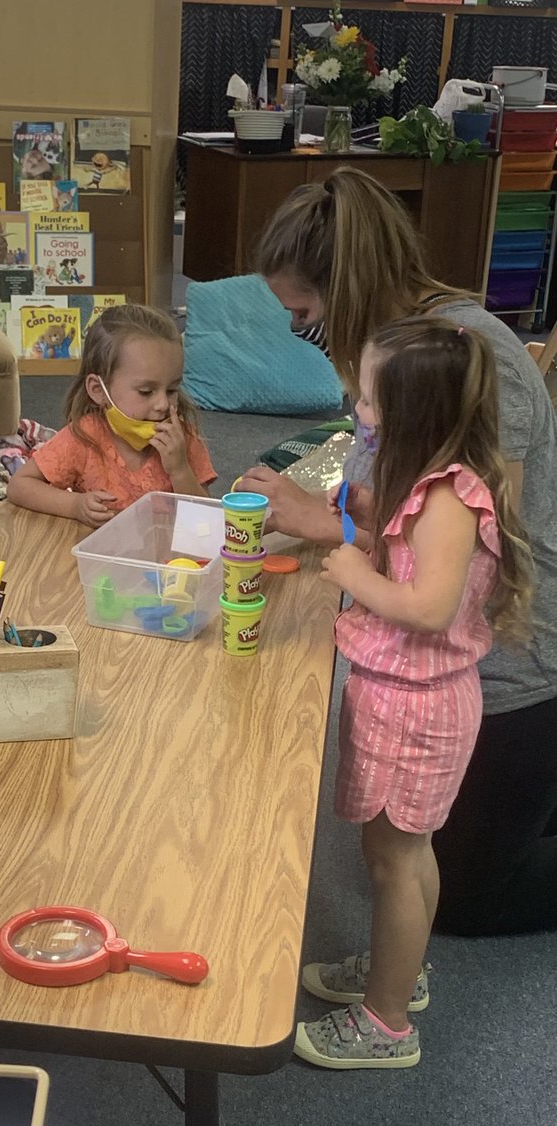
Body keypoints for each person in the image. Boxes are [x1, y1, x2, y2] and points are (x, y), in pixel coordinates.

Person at [240, 166, 557, 938]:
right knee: (405, 856)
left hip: (507, 665)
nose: (299, 331)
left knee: (463, 894)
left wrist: (337, 530)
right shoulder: (393, 360)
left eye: (304, 311)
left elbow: (476, 557)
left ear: (345, 290)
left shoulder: (462, 359)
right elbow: (396, 495)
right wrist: (323, 513)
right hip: (439, 654)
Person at [294, 316, 533, 1069]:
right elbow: (415, 570)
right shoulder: (429, 486)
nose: (357, 411)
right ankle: (400, 970)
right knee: (403, 852)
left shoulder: (446, 503)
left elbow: (429, 608)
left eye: (367, 401)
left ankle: (386, 1023)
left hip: (417, 702)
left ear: (412, 414)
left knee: (395, 861)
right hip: (408, 694)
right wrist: (371, 529)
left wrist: (358, 575)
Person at [7, 304, 216, 525]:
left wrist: (180, 470)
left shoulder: (183, 439)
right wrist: (75, 505)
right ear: (98, 390)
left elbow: (206, 522)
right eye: (146, 392)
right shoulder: (85, 436)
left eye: (172, 390)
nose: (163, 404)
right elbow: (19, 485)